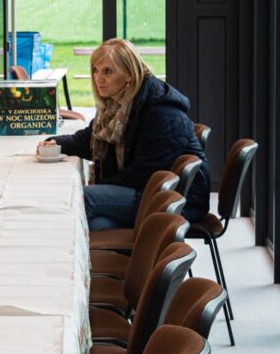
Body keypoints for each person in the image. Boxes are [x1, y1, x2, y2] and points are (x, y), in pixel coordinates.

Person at [40, 38, 210, 230]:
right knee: (97, 225)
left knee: (79, 198)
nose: (98, 78)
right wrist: (56, 143)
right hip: (146, 191)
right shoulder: (118, 103)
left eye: (108, 71)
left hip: (172, 199)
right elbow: (92, 138)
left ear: (129, 74)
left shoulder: (160, 110)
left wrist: (100, 188)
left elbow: (144, 173)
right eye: (95, 70)